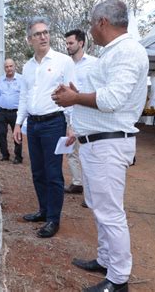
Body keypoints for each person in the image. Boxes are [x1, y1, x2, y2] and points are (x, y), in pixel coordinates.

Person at [52, 0, 148, 292]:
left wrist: (74, 98)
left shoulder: (128, 52)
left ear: (103, 22)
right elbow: (104, 95)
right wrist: (76, 95)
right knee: (99, 207)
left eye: (92, 23)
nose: (90, 29)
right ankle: (106, 259)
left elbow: (111, 100)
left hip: (108, 145)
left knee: (110, 212)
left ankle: (118, 280)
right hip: (96, 143)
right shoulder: (113, 53)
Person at [12, 16, 76, 238]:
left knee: (53, 173)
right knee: (37, 171)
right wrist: (18, 124)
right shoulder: (28, 67)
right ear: (29, 39)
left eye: (46, 32)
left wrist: (71, 125)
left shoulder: (62, 61)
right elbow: (24, 97)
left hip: (54, 123)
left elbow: (71, 93)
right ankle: (43, 210)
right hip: (34, 125)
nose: (43, 36)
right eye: (38, 34)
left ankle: (53, 219)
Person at [64, 29, 97, 195]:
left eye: (70, 43)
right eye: (67, 44)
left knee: (88, 153)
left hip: (88, 115)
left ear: (81, 43)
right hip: (70, 114)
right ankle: (77, 183)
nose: (68, 46)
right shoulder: (65, 65)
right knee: (71, 151)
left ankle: (91, 192)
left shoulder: (94, 64)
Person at [0, 59, 24, 164]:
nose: (9, 68)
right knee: (1, 134)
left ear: (14, 66)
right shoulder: (0, 80)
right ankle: (5, 155)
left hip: (16, 112)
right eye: (7, 67)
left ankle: (18, 157)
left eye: (11, 66)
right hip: (3, 112)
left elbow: (25, 97)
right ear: (4, 68)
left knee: (17, 134)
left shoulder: (21, 79)